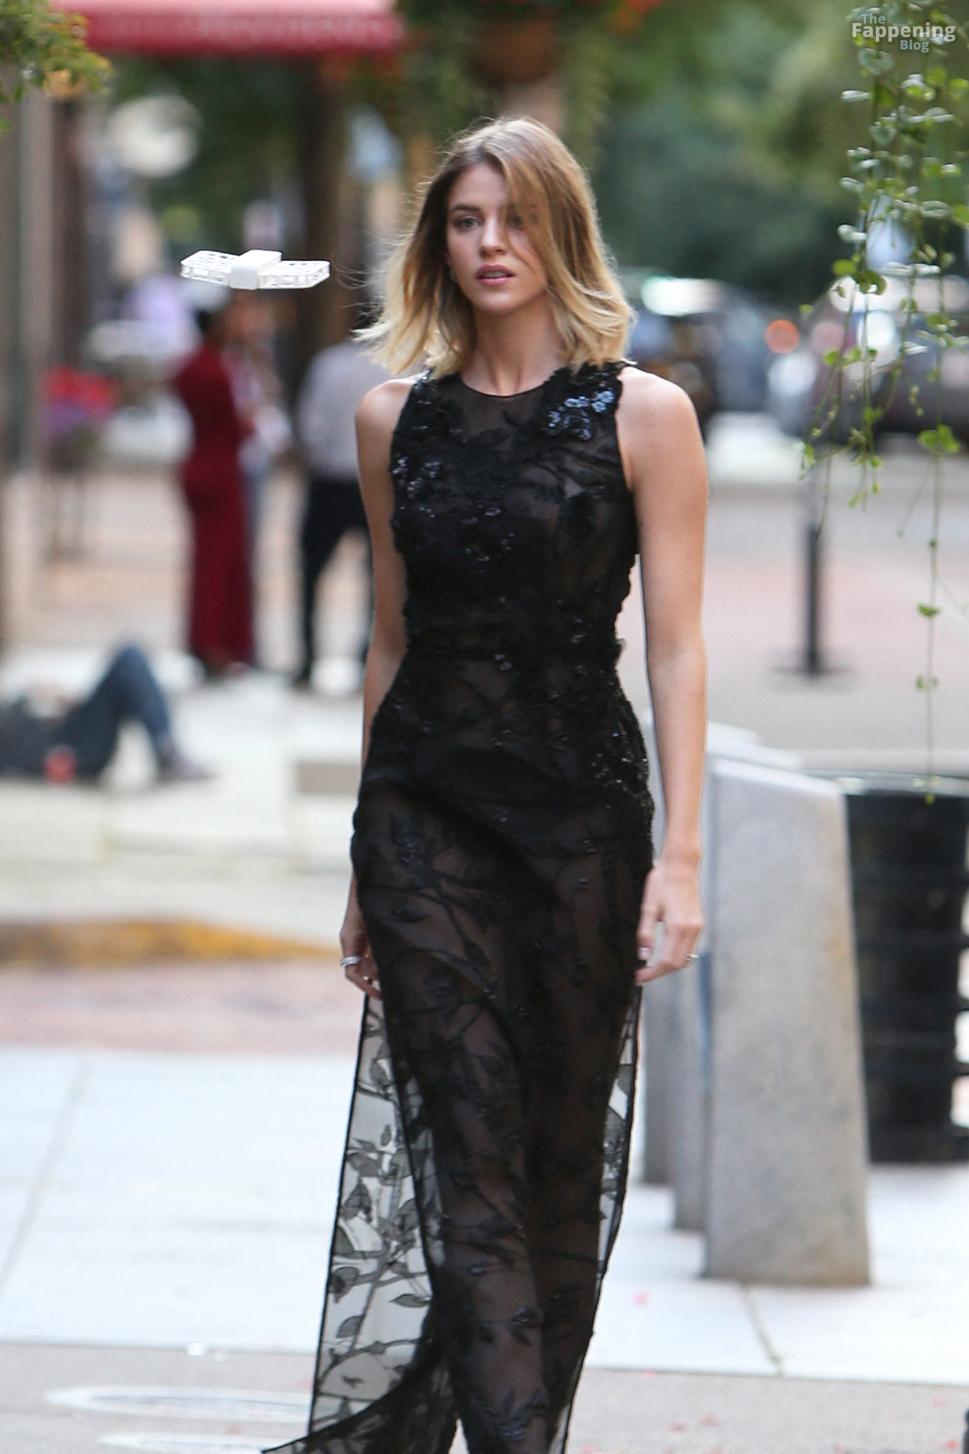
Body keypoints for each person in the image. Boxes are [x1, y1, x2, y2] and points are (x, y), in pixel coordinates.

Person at [261, 115, 708, 1454]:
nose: (489, 244)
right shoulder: (390, 417)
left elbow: (679, 651)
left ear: (562, 231)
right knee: (468, 1162)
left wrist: (683, 859)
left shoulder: (647, 415)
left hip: (580, 824)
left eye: (514, 219)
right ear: (436, 242)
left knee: (557, 1170)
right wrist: (365, 859)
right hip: (427, 819)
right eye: (465, 220)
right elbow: (389, 643)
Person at [290, 303, 394, 689]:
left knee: (311, 573)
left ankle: (307, 658)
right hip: (377, 483)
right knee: (381, 579)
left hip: (330, 480)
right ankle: (367, 656)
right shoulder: (395, 368)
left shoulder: (328, 365)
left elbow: (310, 426)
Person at [170, 298, 255, 680]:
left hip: (200, 465)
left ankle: (208, 641)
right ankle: (215, 644)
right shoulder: (217, 369)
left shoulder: (189, 367)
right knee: (220, 564)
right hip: (221, 472)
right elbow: (234, 426)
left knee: (208, 562)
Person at [0, 642, 213, 785]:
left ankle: (165, 746)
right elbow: (20, 754)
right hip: (72, 747)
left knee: (130, 667)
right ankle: (166, 750)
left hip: (68, 727)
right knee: (129, 659)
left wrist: (39, 696)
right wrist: (51, 759)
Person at [224, 292, 292, 670]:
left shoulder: (258, 360)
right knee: (236, 557)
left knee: (251, 557)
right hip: (234, 467)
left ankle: (247, 641)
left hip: (253, 464)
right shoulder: (227, 360)